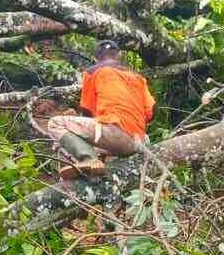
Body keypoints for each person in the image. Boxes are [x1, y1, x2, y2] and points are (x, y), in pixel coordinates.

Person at [45, 41, 154, 180]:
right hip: (139, 141)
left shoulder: (93, 71)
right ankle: (99, 167)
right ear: (119, 55)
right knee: (99, 144)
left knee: (55, 124)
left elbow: (87, 111)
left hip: (116, 136)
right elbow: (151, 113)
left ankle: (89, 159)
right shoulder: (137, 76)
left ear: (96, 57)